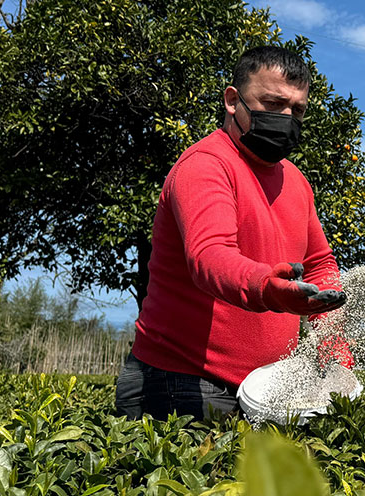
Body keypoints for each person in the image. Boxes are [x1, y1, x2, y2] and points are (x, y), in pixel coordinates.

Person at [114, 45, 348, 422]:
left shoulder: (297, 182)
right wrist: (268, 289)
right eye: (273, 103)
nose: (286, 117)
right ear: (232, 100)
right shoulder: (206, 165)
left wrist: (335, 349)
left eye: (297, 110)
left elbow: (320, 264)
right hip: (184, 382)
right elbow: (209, 255)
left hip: (264, 389)